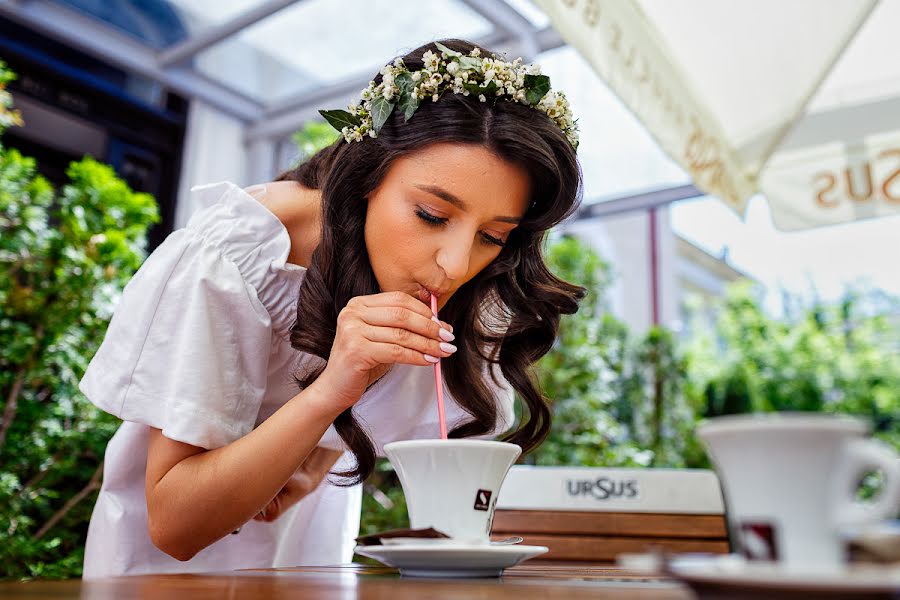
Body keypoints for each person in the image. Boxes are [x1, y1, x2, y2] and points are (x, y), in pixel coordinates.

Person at [79, 38, 584, 578]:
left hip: (312, 561)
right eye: (432, 215)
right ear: (366, 177)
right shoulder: (240, 252)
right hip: (162, 581)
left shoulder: (476, 285)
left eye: (493, 234)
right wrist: (330, 392)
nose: (455, 264)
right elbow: (176, 526)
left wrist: (316, 455)